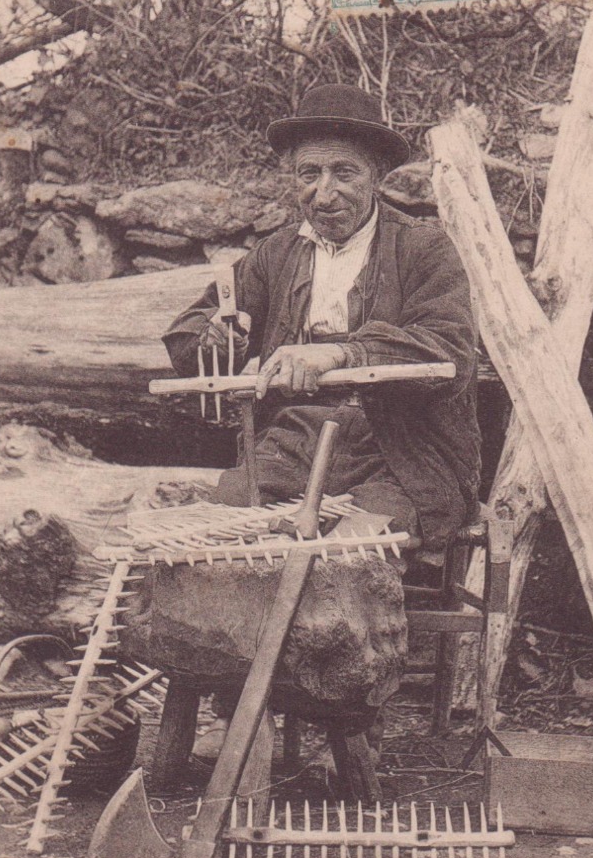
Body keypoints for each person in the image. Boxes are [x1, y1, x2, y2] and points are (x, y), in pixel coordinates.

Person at [163, 83, 482, 553]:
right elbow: (192, 336)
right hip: (290, 447)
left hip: (398, 453)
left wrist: (340, 353)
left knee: (349, 557)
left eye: (344, 173)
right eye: (308, 173)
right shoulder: (276, 253)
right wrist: (216, 339)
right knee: (218, 546)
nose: (324, 193)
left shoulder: (422, 247)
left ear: (375, 175)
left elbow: (448, 348)